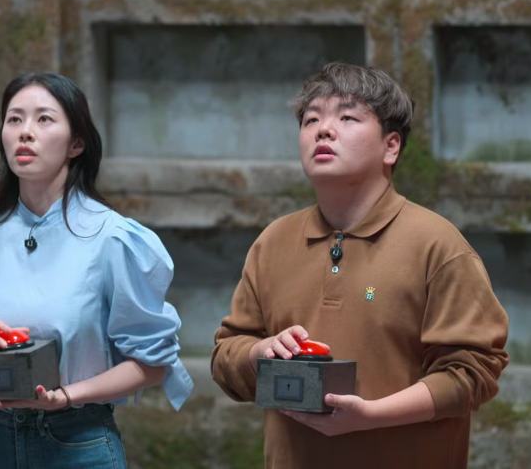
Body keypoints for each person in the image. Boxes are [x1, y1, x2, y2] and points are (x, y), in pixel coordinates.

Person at [211, 62, 509, 468]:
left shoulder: (437, 244)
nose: (323, 129)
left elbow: (473, 373)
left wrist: (371, 416)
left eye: (347, 117)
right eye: (311, 119)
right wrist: (257, 353)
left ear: (391, 146)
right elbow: (226, 356)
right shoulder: (272, 243)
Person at [0, 72, 194, 468]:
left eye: (44, 119)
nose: (25, 132)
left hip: (77, 441)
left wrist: (68, 396)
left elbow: (153, 364)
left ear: (76, 144)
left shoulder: (113, 239)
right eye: (14, 119)